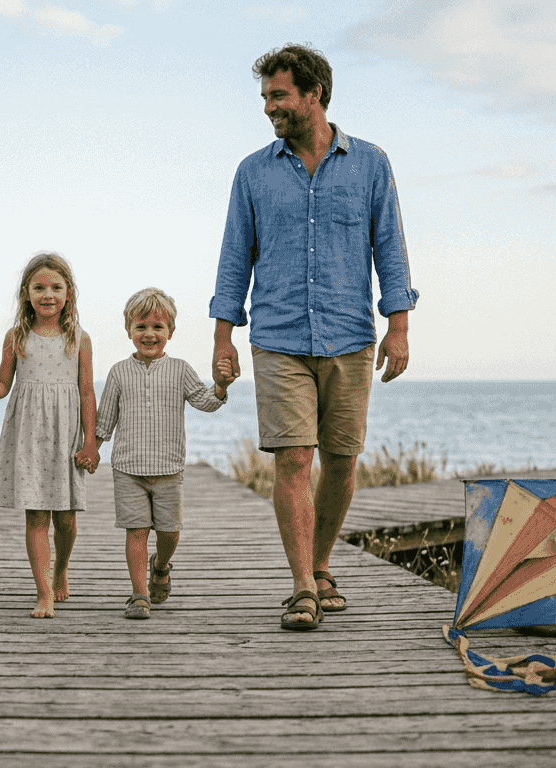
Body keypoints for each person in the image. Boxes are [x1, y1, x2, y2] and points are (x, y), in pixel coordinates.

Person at [210, 44, 419, 631]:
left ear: (314, 94)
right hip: (277, 336)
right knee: (294, 459)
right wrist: (224, 337)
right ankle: (303, 586)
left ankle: (322, 564)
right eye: (265, 97)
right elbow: (234, 258)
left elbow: (390, 247)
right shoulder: (252, 172)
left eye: (278, 95)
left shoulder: (370, 164)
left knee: (342, 461)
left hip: (349, 334)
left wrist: (399, 326)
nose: (268, 107)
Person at [93, 288, 234, 620]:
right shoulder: (118, 372)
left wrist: (221, 386)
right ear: (128, 329)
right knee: (136, 531)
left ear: (170, 330)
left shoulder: (180, 369)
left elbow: (205, 401)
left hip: (169, 469)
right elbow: (105, 419)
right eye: (141, 326)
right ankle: (139, 594)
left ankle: (161, 566)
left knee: (169, 532)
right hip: (128, 469)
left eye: (157, 327)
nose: (149, 334)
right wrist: (91, 450)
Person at [0, 253, 99, 619]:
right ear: (26, 293)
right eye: (39, 288)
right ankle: (44, 592)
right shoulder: (16, 337)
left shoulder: (79, 339)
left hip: (66, 434)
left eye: (56, 287)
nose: (47, 294)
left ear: (68, 293)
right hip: (29, 436)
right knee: (36, 516)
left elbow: (86, 392)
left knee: (65, 519)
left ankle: (61, 567)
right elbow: (2, 385)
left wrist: (91, 441)